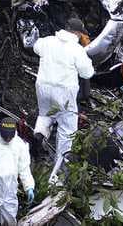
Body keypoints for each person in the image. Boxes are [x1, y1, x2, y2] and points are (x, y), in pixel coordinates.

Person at [33, 17, 94, 182]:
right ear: (78, 33)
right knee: (67, 129)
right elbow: (87, 73)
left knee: (45, 115)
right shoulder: (76, 49)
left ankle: (39, 135)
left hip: (43, 86)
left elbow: (35, 47)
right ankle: (56, 175)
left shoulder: (47, 41)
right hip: (64, 91)